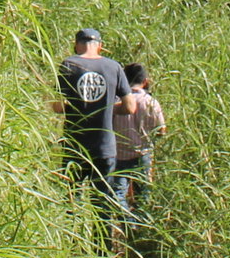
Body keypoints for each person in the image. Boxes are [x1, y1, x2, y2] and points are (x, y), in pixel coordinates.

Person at [54, 28, 131, 218]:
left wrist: (77, 106)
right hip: (104, 147)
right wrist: (106, 108)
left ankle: (72, 245)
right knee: (102, 207)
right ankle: (102, 247)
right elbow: (130, 106)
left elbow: (56, 105)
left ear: (76, 44)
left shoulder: (69, 64)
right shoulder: (114, 67)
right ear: (100, 46)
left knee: (72, 204)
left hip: (75, 146)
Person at [111, 62, 165, 220]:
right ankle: (141, 229)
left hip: (119, 156)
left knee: (118, 194)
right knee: (143, 196)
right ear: (146, 81)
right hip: (143, 155)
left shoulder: (116, 101)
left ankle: (129, 222)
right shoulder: (151, 102)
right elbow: (161, 130)